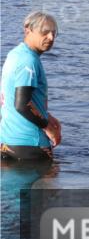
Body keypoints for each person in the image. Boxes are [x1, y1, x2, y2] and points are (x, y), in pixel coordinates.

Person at [1, 12, 61, 162]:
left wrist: (47, 115)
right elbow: (22, 105)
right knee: (49, 182)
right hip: (31, 144)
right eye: (45, 32)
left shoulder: (15, 54)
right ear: (27, 30)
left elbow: (8, 96)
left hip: (6, 142)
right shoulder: (29, 61)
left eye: (54, 33)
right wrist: (47, 126)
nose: (51, 38)